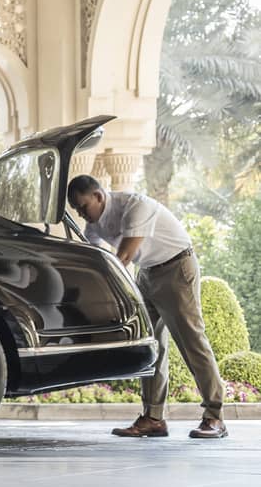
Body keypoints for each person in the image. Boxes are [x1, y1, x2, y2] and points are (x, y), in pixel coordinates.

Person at [67, 175, 227, 440]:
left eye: (84, 207)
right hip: (148, 272)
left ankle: (215, 416)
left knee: (192, 343)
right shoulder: (93, 225)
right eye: (76, 210)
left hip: (176, 268)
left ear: (98, 196)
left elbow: (125, 256)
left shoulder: (134, 206)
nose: (82, 214)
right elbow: (94, 260)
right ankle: (153, 418)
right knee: (151, 345)